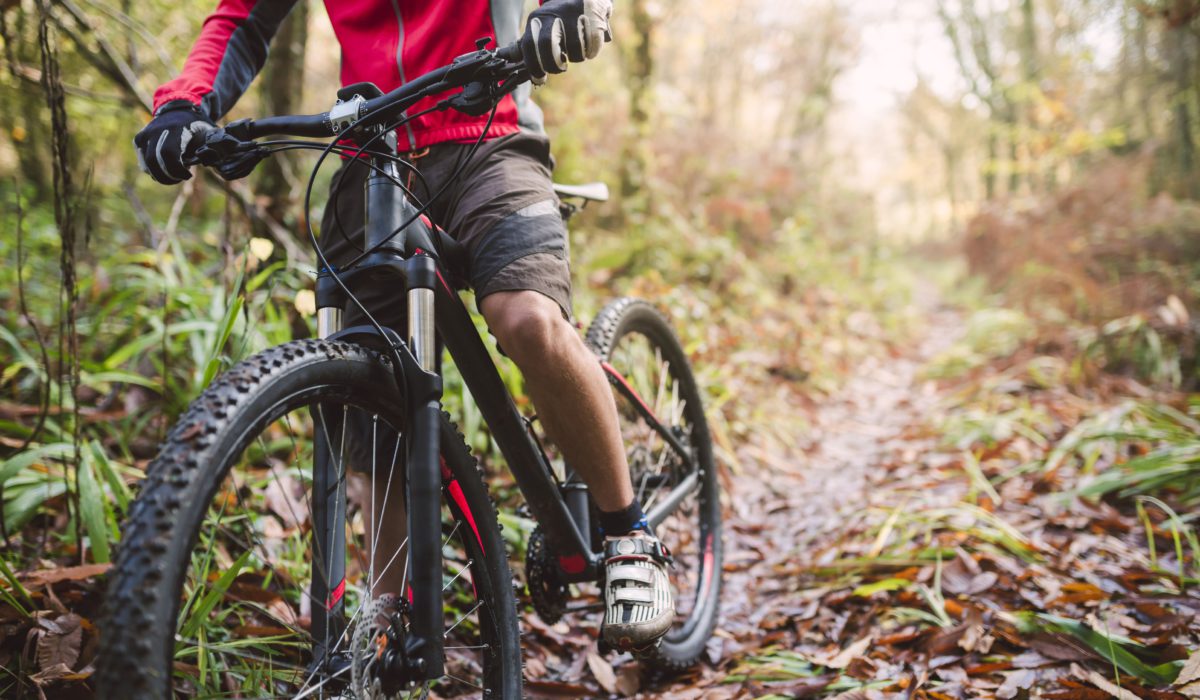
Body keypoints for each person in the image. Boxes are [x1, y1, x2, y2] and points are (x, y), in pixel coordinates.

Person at [133, 0, 674, 652]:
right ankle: (383, 615)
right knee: (375, 391)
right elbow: (242, 19)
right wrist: (185, 105)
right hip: (372, 153)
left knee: (527, 318)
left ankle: (630, 537)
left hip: (489, 135)